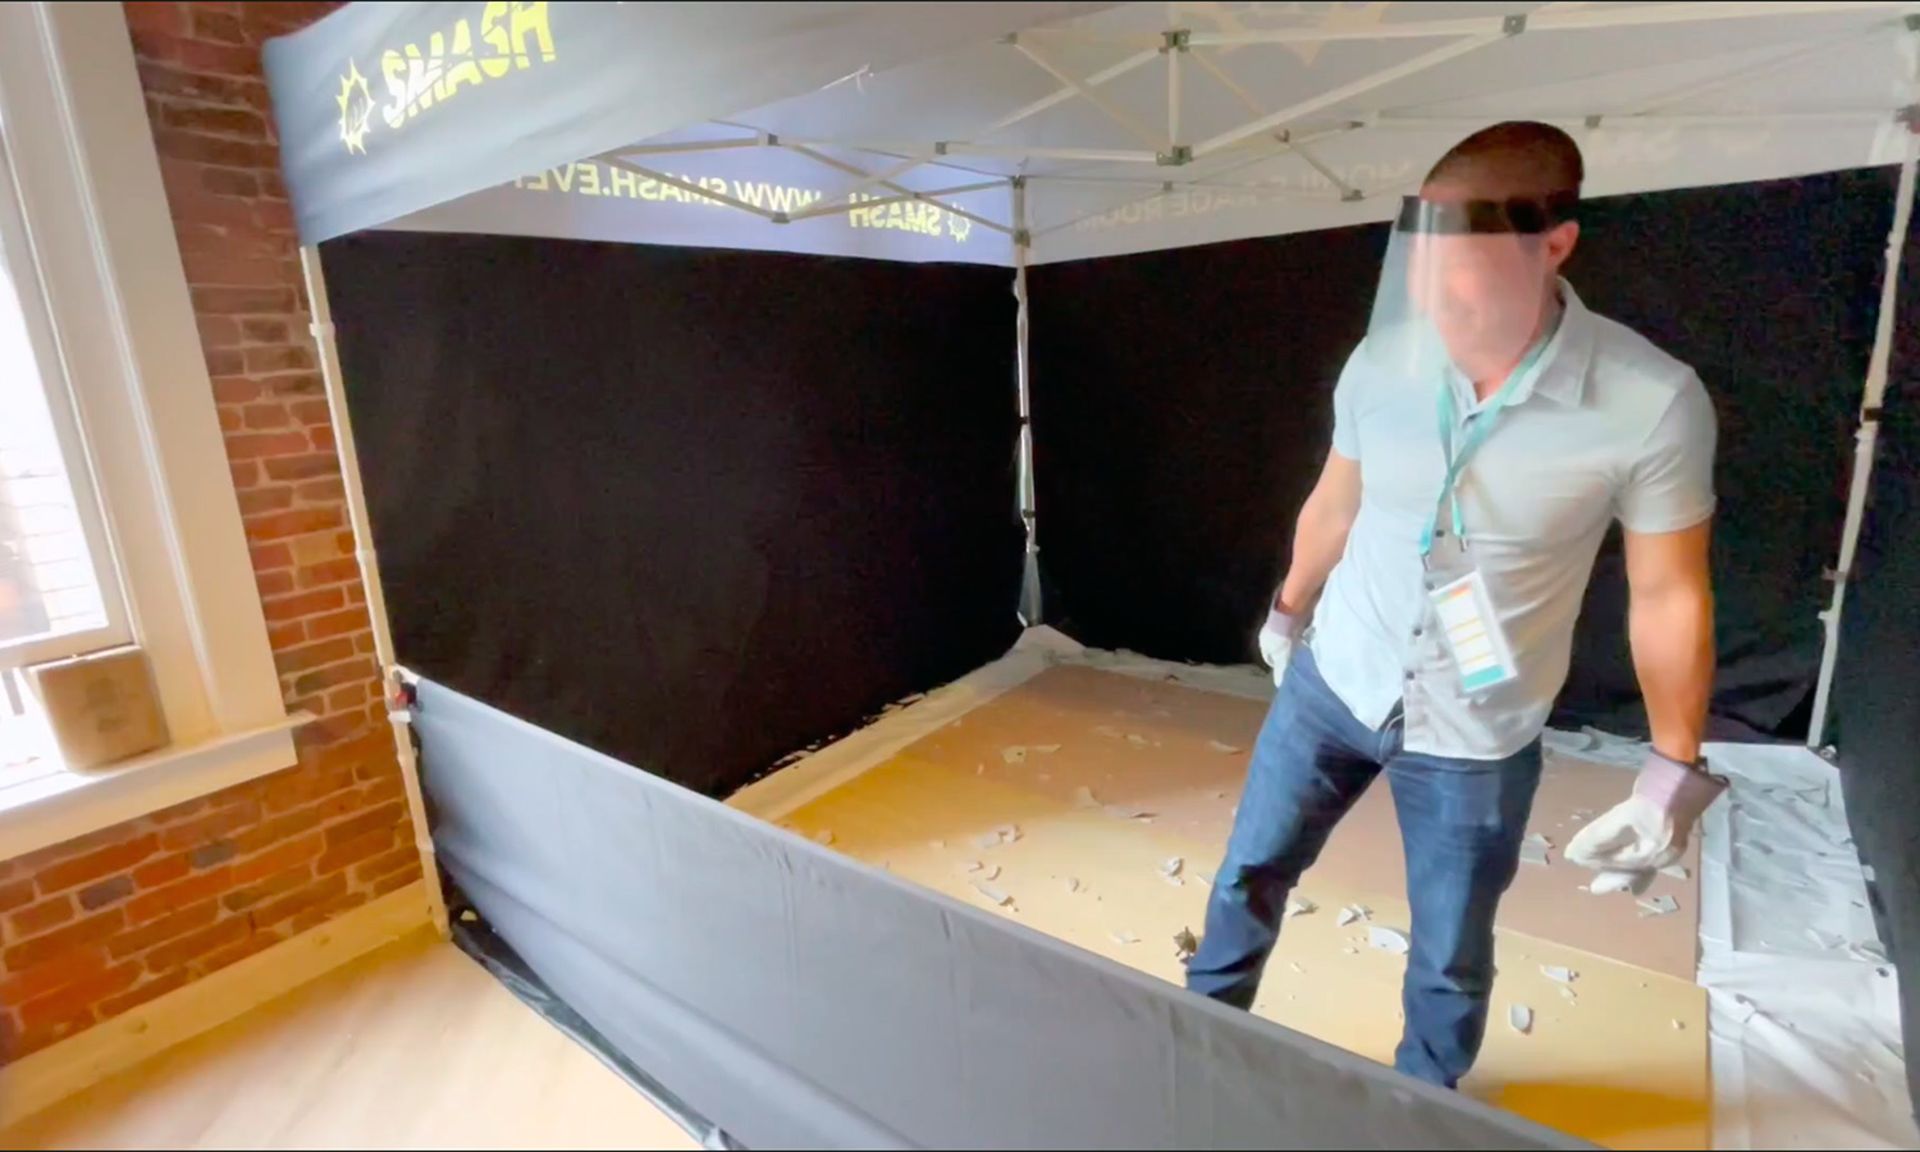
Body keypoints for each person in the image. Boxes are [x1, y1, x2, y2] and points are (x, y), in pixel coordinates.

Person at [1183, 122, 1725, 1089]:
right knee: (1247, 876)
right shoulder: (1383, 362)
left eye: (1461, 268)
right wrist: (1287, 611)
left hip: (1476, 730)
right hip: (1336, 679)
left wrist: (1669, 776)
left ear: (1552, 244)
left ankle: (1422, 1112)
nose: (1431, 295)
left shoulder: (1650, 401)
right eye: (1419, 264)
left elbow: (1668, 590)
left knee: (1447, 957)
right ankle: (1190, 1046)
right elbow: (1335, 499)